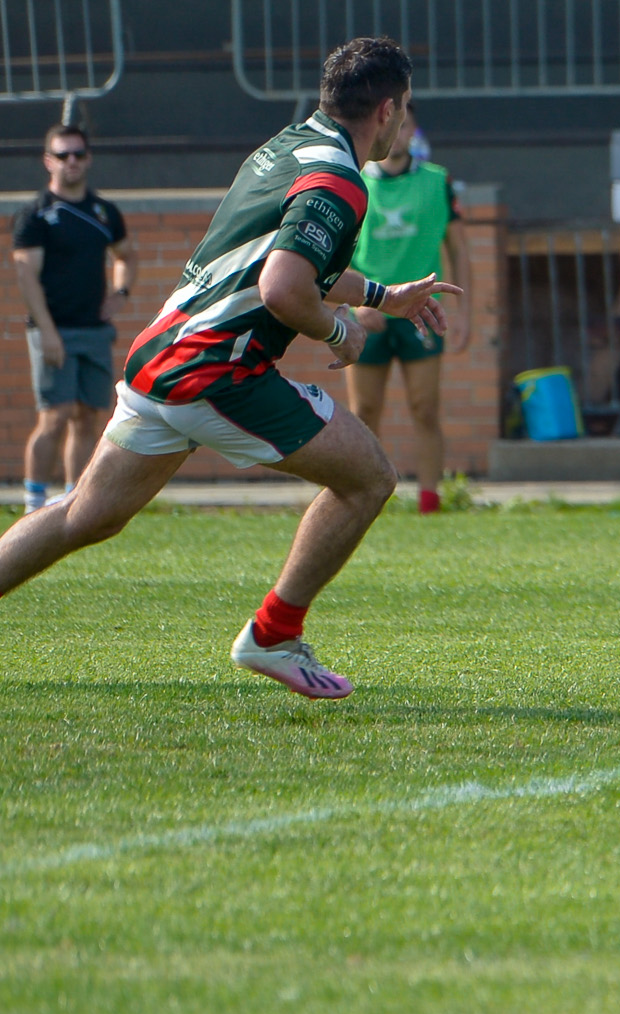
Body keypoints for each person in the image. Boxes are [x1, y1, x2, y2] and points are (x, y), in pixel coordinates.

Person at [0, 37, 459, 699]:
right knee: (370, 477)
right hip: (217, 371)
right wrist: (342, 331)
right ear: (386, 110)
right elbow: (283, 286)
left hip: (163, 355)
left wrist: (384, 297)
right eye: (407, 105)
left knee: (86, 515)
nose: (406, 118)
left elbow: (298, 263)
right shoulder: (340, 181)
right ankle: (273, 634)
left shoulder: (288, 145)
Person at [344, 103, 470, 514]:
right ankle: (358, 499)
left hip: (421, 312)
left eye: (405, 125)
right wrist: (356, 304)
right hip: (369, 312)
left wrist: (465, 312)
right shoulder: (354, 181)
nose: (397, 133)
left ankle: (431, 500)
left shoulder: (437, 182)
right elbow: (334, 255)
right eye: (390, 125)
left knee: (425, 407)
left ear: (412, 130)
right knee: (363, 412)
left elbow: (459, 251)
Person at [11, 125, 133, 512]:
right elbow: (26, 275)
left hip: (94, 330)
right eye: (63, 155)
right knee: (55, 416)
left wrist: (120, 294)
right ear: (48, 161)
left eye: (78, 154)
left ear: (89, 158)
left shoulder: (103, 211)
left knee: (86, 417)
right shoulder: (36, 215)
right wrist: (46, 331)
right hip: (53, 329)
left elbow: (126, 255)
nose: (72, 162)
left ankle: (71, 502)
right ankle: (34, 502)